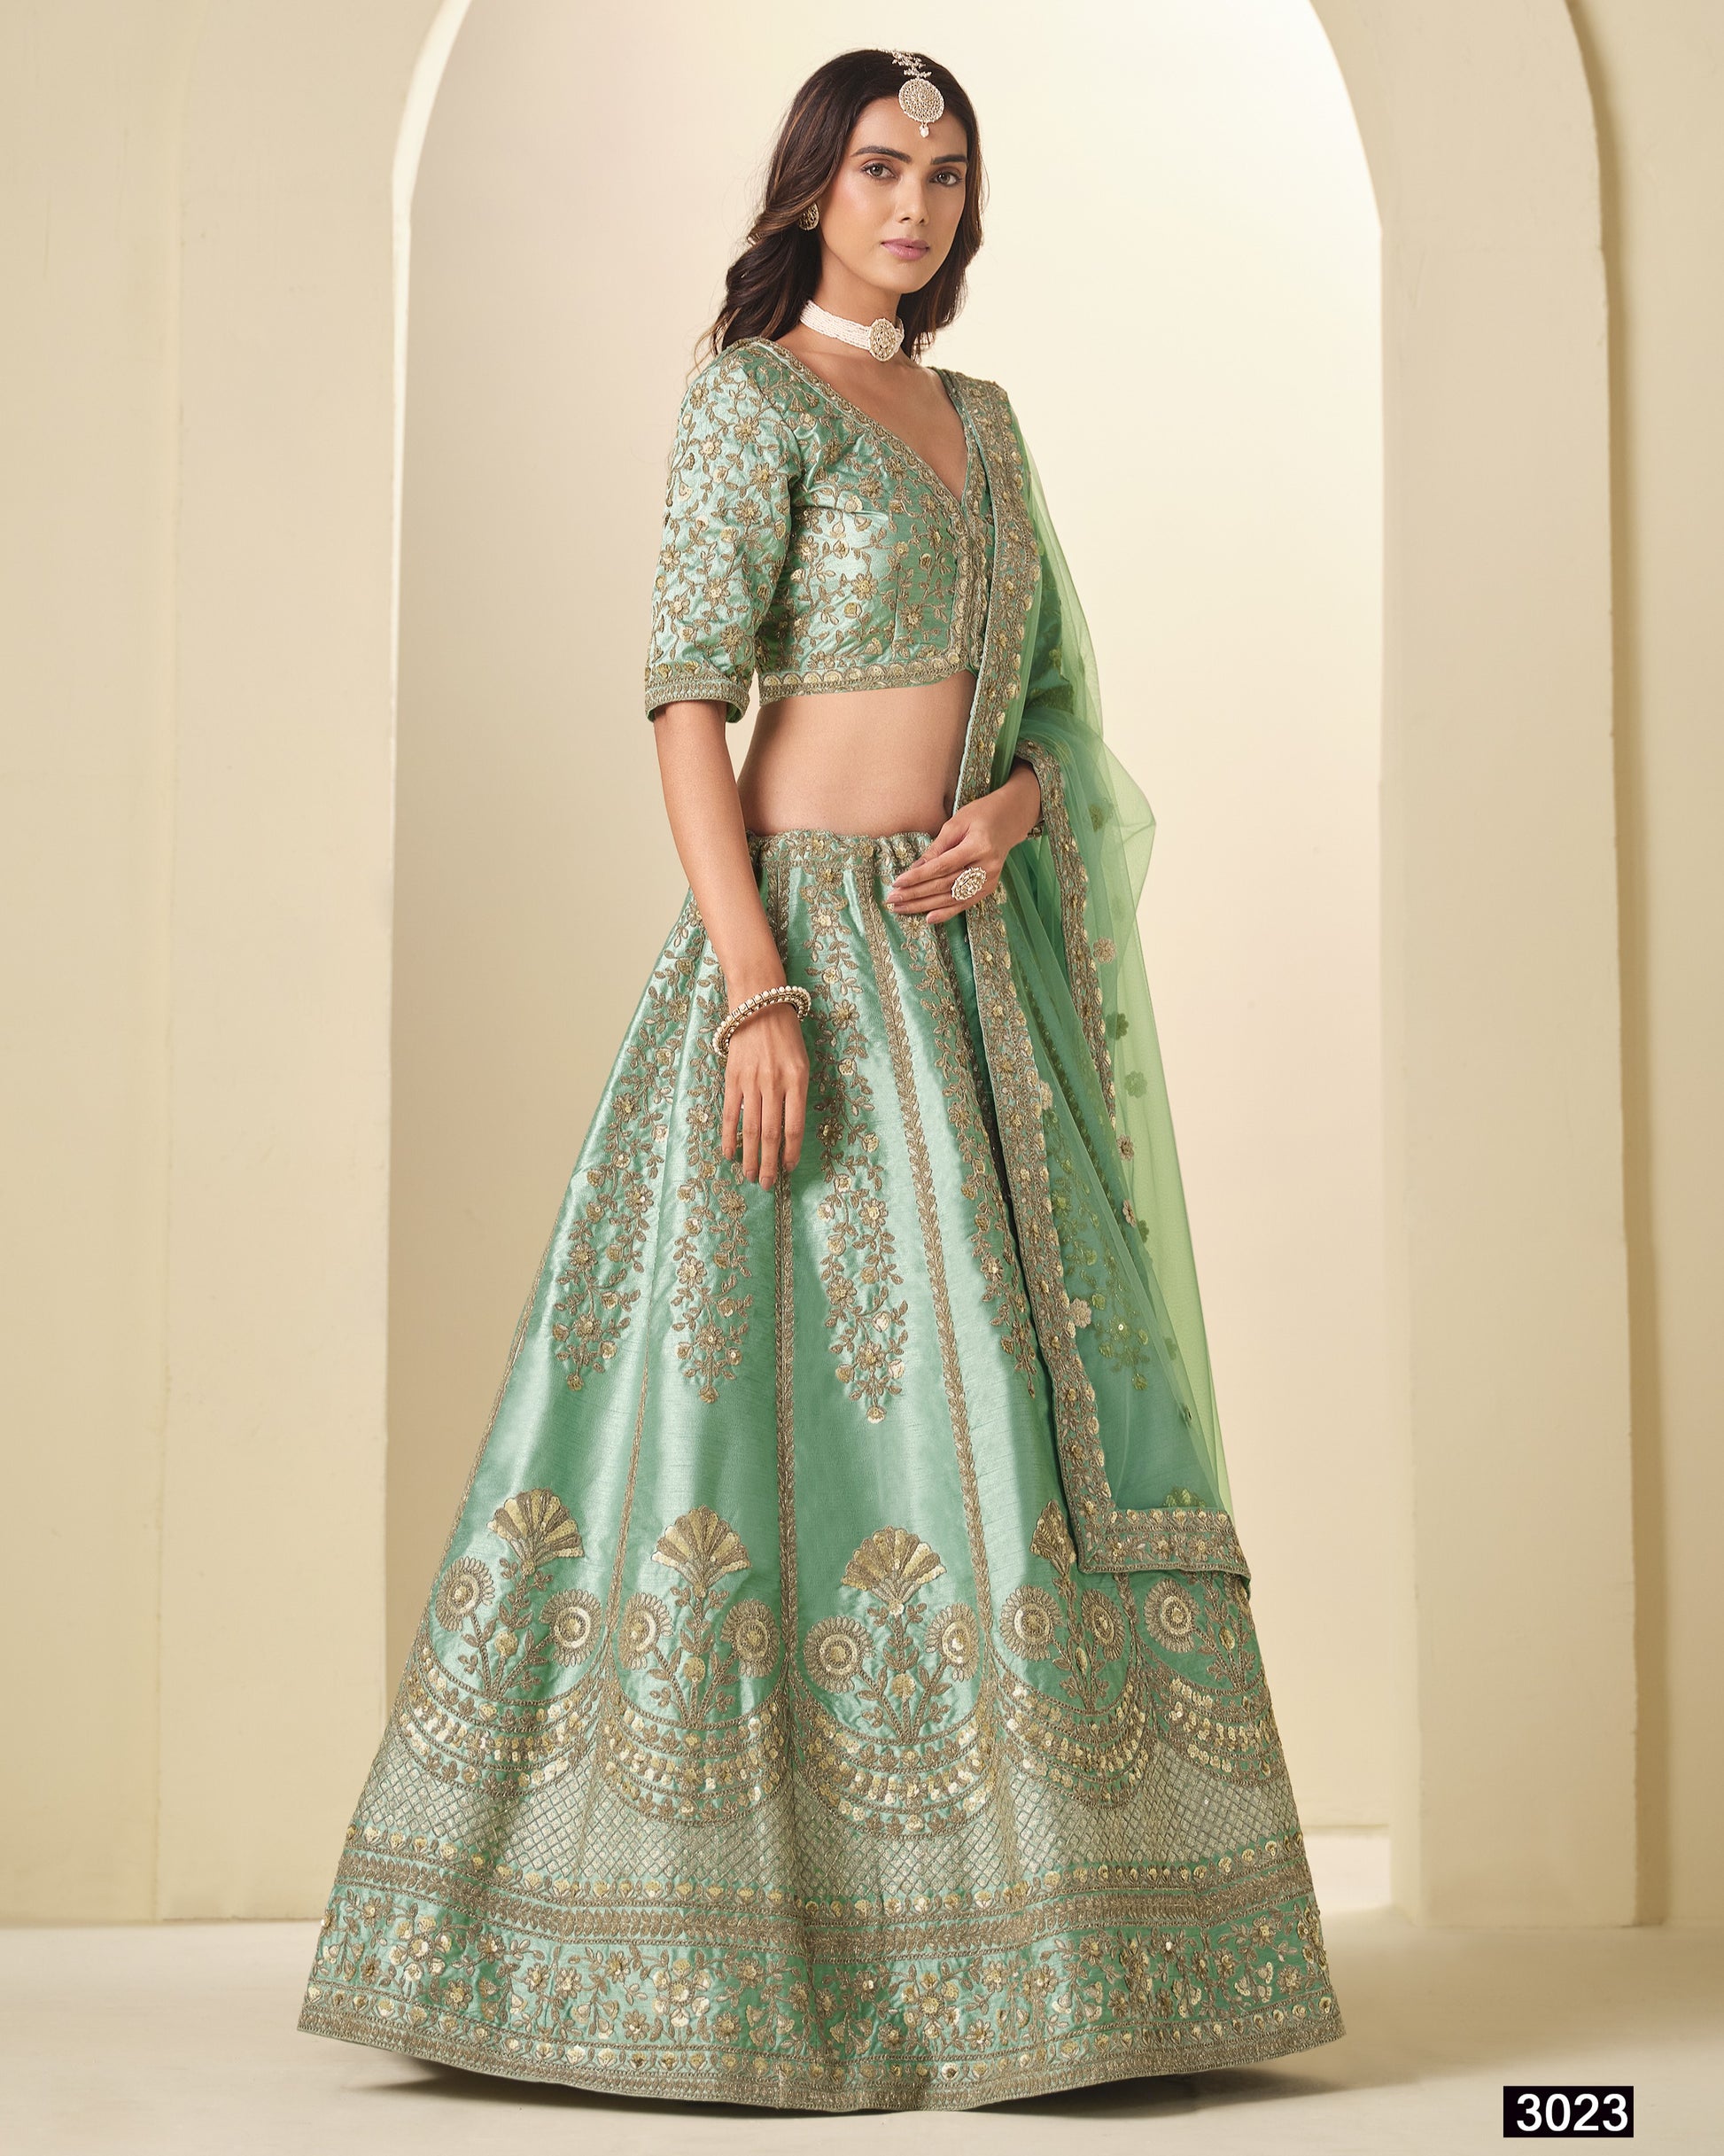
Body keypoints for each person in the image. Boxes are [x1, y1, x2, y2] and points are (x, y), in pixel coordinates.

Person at [299, 46, 1346, 2111]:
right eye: (879, 165)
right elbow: (690, 703)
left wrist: (1023, 802)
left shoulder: (986, 423)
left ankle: (1057, 1948)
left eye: (945, 173)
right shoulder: (754, 392)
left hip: (967, 964)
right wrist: (759, 983)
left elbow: (1045, 699)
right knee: (742, 1442)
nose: (915, 201)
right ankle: (685, 1945)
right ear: (809, 188)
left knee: (1010, 1439)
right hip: (803, 965)